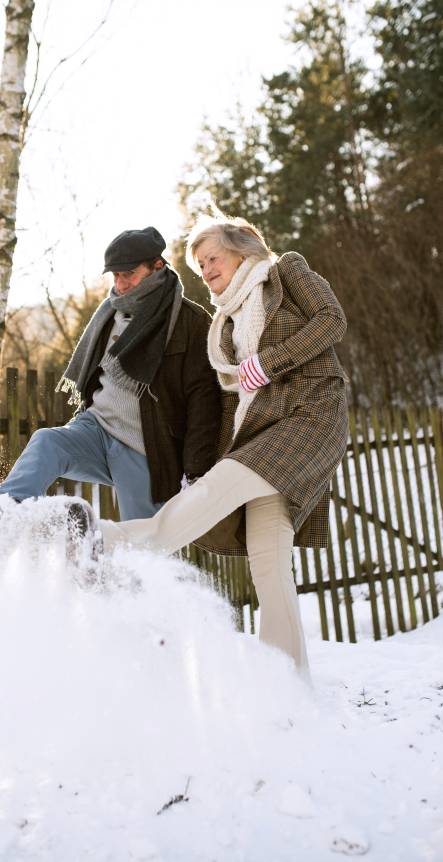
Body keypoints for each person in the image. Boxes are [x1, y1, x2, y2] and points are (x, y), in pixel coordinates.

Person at [93, 211, 349, 678]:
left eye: (212, 258)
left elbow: (332, 321)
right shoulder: (223, 324)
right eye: (199, 266)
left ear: (241, 248)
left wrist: (271, 362)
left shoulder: (284, 272)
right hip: (259, 433)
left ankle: (108, 541)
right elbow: (232, 406)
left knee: (215, 491)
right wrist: (207, 459)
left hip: (309, 417)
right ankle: (289, 686)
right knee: (270, 567)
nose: (207, 270)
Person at [0, 226, 221, 537]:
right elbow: (96, 377)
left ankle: (138, 584)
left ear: (157, 266)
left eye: (129, 273)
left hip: (146, 448)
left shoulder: (190, 321)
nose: (120, 284)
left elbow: (203, 397)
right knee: (47, 442)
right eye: (115, 275)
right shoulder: (110, 313)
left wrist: (198, 471)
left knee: (142, 544)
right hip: (96, 428)